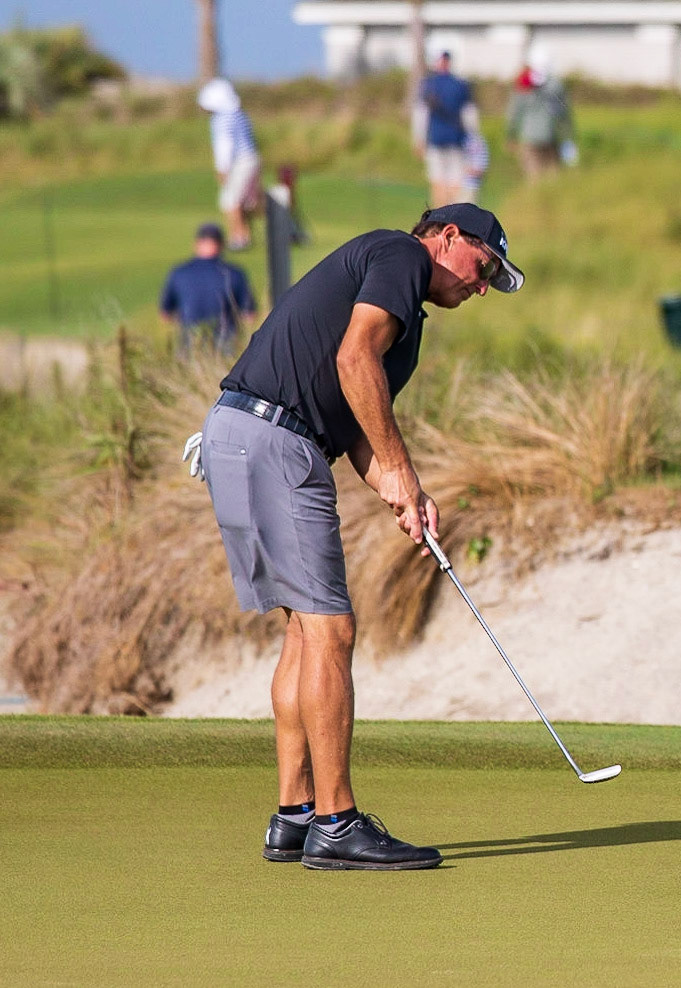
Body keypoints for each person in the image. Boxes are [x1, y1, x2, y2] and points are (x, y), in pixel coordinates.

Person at [184, 203, 525, 871]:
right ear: (449, 237)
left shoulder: (402, 306)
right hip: (278, 441)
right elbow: (354, 358)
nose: (480, 286)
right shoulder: (401, 255)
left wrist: (406, 494)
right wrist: (401, 468)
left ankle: (295, 815)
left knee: (305, 631)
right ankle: (337, 822)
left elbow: (361, 425)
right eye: (483, 268)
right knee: (332, 630)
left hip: (239, 434)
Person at [160, 222, 257, 355]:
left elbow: (165, 314)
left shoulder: (179, 273)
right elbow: (249, 315)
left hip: (189, 345)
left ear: (197, 243)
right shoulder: (234, 274)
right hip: (226, 346)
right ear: (221, 245)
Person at [197, 79, 261, 250]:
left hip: (239, 162)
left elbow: (225, 147)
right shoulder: (239, 114)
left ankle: (239, 238)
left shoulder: (222, 119)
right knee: (246, 201)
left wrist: (222, 170)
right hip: (251, 159)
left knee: (230, 201)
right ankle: (245, 235)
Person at [412, 51, 482, 206]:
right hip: (456, 139)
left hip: (436, 139)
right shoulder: (461, 85)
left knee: (438, 180)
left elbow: (421, 115)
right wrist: (474, 140)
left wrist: (419, 139)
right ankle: (453, 212)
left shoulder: (428, 85)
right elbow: (470, 115)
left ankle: (440, 213)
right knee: (455, 180)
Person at [506, 45, 576, 182]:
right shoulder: (555, 84)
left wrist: (511, 135)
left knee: (534, 180)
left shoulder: (523, 83)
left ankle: (538, 203)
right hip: (551, 137)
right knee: (553, 180)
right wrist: (568, 138)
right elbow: (564, 114)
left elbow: (514, 112)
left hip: (530, 139)